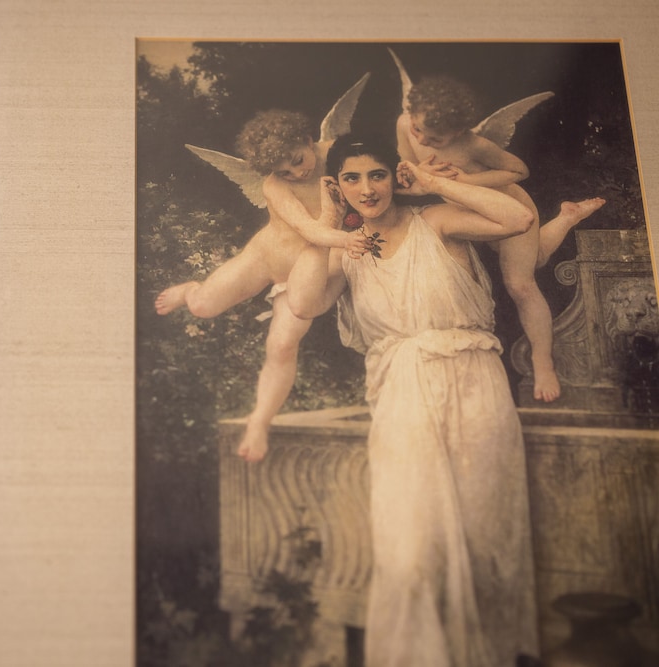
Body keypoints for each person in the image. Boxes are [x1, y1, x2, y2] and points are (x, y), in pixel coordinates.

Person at [288, 134, 540, 666]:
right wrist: (327, 225)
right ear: (337, 185)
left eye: (377, 174)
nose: (366, 189)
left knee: (485, 533)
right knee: (410, 546)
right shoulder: (349, 250)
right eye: (351, 178)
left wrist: (429, 182)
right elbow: (304, 303)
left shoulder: (437, 221)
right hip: (401, 392)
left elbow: (518, 218)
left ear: (394, 175)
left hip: (475, 385)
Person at [155, 110, 369, 463]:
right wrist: (351, 239)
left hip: (318, 264)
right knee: (202, 306)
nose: (296, 173)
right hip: (268, 255)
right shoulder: (274, 185)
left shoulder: (341, 155)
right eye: (284, 171)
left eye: (298, 161)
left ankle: (259, 421)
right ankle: (192, 289)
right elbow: (309, 229)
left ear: (308, 140)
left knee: (282, 345)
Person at [395, 74, 605, 403]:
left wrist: (469, 181)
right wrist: (411, 171)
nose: (420, 137)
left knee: (521, 283)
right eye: (418, 129)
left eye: (434, 138)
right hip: (466, 211)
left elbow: (519, 171)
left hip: (508, 207)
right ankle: (568, 216)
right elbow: (407, 157)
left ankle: (543, 362)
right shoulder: (405, 122)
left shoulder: (473, 143)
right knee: (535, 258)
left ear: (458, 132)